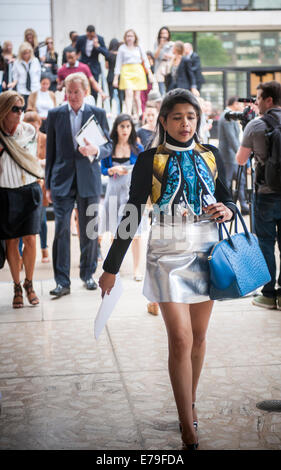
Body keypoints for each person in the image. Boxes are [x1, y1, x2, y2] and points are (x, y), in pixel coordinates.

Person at [99, 88, 236, 450]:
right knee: (180, 338)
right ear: (163, 120)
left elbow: (228, 195)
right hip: (166, 254)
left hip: (207, 251)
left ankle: (190, 403)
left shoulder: (210, 154)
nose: (184, 123)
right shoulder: (150, 160)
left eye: (190, 117)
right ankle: (185, 422)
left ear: (198, 120)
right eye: (177, 117)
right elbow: (131, 215)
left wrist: (229, 209)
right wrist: (111, 266)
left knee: (200, 338)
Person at [45, 72, 112, 297]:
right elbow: (50, 151)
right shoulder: (55, 115)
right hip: (61, 180)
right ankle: (62, 282)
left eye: (77, 91)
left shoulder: (98, 113)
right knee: (62, 230)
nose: (72, 96)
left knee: (89, 230)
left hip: (89, 179)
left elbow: (109, 146)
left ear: (85, 92)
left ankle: (88, 274)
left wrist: (96, 150)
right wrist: (47, 185)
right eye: (69, 91)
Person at [236, 80, 281, 310]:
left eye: (258, 98)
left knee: (265, 243)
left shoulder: (255, 125)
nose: (256, 102)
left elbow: (240, 160)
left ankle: (268, 294)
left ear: (269, 100)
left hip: (266, 194)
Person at [0, 90, 44, 308]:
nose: (19, 113)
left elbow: (32, 160)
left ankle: (29, 282)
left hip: (28, 190)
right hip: (5, 192)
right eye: (14, 109)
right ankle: (16, 285)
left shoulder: (29, 130)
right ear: (4, 110)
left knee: (31, 239)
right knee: (11, 241)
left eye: (21, 109)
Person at [99, 113, 144, 280]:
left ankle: (137, 269)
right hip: (113, 190)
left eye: (128, 126)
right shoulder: (109, 147)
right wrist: (111, 170)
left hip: (131, 192)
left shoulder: (137, 148)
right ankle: (114, 269)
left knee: (136, 233)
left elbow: (143, 170)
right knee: (114, 232)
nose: (125, 130)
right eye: (122, 126)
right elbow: (102, 169)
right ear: (116, 128)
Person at [23, 110, 50, 263]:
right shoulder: (20, 139)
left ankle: (44, 249)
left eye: (36, 126)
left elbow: (49, 159)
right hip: (24, 182)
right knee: (22, 221)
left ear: (40, 125)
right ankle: (21, 253)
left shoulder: (44, 139)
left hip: (40, 182)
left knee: (42, 219)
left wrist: (36, 162)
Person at [113, 29, 153, 120]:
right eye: (128, 36)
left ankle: (139, 113)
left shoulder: (139, 47)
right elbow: (118, 63)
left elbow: (145, 60)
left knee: (137, 95)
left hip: (138, 70)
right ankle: (128, 113)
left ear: (135, 37)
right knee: (128, 93)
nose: (129, 38)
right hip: (126, 71)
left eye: (131, 36)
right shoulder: (122, 48)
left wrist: (150, 73)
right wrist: (116, 78)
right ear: (125, 38)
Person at [218, 97, 249, 215]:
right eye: (241, 104)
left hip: (233, 156)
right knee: (228, 182)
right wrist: (242, 153)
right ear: (235, 104)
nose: (242, 107)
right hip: (229, 157)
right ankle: (228, 207)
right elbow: (232, 139)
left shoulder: (230, 116)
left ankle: (244, 206)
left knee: (240, 181)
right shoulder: (227, 116)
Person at [76, 25, 109, 99]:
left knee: (94, 88)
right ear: (86, 33)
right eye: (89, 35)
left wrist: (97, 46)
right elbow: (76, 51)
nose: (90, 37)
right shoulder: (81, 39)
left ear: (94, 33)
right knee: (82, 86)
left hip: (94, 67)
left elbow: (106, 53)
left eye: (92, 35)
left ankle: (93, 105)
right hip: (83, 66)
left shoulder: (100, 39)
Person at [10, 42, 41, 109]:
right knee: (23, 109)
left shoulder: (35, 61)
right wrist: (13, 83)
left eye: (28, 52)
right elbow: (15, 76)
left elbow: (38, 75)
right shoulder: (17, 62)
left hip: (34, 89)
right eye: (24, 53)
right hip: (22, 90)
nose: (27, 55)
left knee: (34, 109)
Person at [154, 26, 174, 96]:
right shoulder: (157, 43)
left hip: (169, 65)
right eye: (162, 33)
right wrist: (160, 46)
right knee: (161, 86)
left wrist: (169, 56)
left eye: (165, 33)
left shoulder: (172, 44)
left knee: (169, 86)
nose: (164, 35)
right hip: (160, 65)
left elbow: (175, 56)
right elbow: (155, 56)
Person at [106, 38, 123, 114]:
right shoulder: (121, 54)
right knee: (120, 96)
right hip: (119, 76)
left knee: (110, 95)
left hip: (110, 75)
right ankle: (120, 111)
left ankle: (109, 111)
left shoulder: (108, 55)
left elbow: (106, 66)